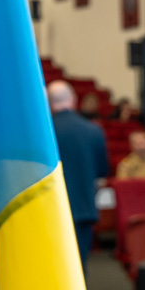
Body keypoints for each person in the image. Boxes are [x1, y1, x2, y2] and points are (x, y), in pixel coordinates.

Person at [49, 82, 109, 268]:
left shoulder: (45, 132)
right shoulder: (93, 130)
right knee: (78, 265)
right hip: (83, 208)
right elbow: (102, 171)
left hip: (51, 209)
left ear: (49, 102)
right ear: (73, 100)